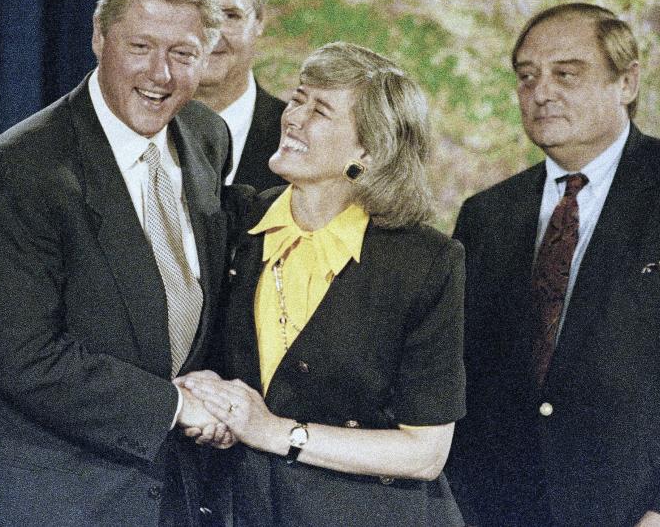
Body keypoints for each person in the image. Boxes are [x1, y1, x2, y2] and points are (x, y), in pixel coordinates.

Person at [445, 2, 660, 526]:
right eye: (527, 77)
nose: (541, 92)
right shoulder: (487, 215)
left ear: (626, 83)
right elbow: (468, 385)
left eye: (566, 74)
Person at [0, 0, 233, 526]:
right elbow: (25, 360)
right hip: (55, 499)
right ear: (98, 37)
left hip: (171, 496)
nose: (161, 74)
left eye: (183, 52)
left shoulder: (206, 137)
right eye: (141, 47)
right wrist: (177, 406)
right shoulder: (22, 169)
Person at [183, 41, 467, 526]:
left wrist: (274, 432)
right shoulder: (237, 223)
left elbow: (425, 452)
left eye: (321, 110)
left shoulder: (426, 263)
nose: (293, 117)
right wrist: (202, 393)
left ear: (369, 149)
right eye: (297, 98)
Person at [184, 0, 287, 191]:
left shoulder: (300, 140)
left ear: (260, 20)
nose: (211, 35)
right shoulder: (130, 131)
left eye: (230, 15)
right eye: (197, 13)